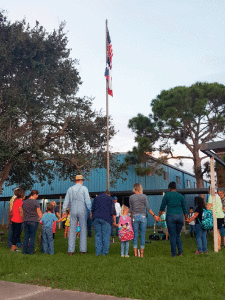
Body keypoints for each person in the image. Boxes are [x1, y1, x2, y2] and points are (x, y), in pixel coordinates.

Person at [62, 175, 91, 255]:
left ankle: (71, 250)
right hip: (82, 210)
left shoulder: (70, 189)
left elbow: (66, 200)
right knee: (83, 229)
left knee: (72, 230)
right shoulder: (84, 188)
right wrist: (90, 209)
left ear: (75, 181)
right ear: (81, 180)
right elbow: (88, 201)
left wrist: (64, 210)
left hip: (73, 210)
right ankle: (83, 250)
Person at [157, 181, 187, 257]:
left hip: (171, 216)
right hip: (180, 217)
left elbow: (162, 207)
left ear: (169, 188)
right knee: (178, 235)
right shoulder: (180, 196)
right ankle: (180, 252)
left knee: (173, 235)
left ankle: (173, 254)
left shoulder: (167, 195)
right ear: (175, 187)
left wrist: (158, 216)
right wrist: (186, 218)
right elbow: (184, 208)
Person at [129, 183, 159, 257]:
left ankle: (135, 253)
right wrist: (154, 215)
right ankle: (141, 254)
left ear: (134, 188)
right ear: (140, 188)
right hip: (143, 217)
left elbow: (131, 210)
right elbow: (148, 208)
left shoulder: (131, 197)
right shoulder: (144, 196)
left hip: (134, 217)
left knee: (135, 235)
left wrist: (130, 219)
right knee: (142, 235)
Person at [91, 190, 116, 256]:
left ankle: (98, 252)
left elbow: (92, 209)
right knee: (106, 236)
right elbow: (113, 211)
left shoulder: (96, 198)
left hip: (96, 218)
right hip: (106, 219)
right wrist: (114, 220)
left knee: (98, 235)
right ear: (108, 194)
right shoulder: (110, 199)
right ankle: (104, 253)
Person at [22, 190, 42, 255]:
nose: (37, 196)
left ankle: (24, 251)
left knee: (26, 236)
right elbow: (39, 213)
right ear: (35, 194)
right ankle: (30, 251)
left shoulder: (24, 202)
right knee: (32, 237)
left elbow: (22, 212)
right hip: (33, 220)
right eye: (37, 195)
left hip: (25, 220)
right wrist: (41, 219)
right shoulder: (36, 202)